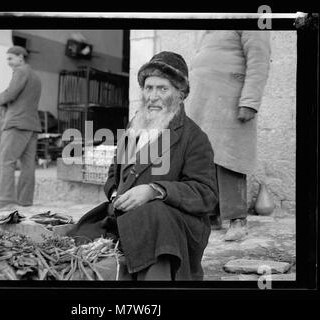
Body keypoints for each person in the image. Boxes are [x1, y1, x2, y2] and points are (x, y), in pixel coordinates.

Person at [67, 51, 218, 280]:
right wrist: (117, 192)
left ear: (181, 93)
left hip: (172, 227)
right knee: (80, 241)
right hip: (127, 218)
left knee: (155, 214)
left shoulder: (194, 137)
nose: (153, 96)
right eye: (148, 88)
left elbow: (206, 194)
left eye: (162, 89)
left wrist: (154, 190)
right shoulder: (134, 128)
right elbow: (113, 174)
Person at [185, 30, 271, 241]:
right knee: (205, 157)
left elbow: (259, 59)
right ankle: (211, 215)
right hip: (205, 99)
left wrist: (249, 101)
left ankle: (237, 220)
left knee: (231, 158)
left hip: (230, 97)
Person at [0, 46, 42, 209]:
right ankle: (25, 200)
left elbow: (10, 94)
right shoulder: (35, 75)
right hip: (31, 124)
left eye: (10, 58)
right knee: (27, 165)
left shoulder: (20, 72)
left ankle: (5, 198)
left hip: (17, 124)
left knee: (5, 161)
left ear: (21, 57)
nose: (8, 62)